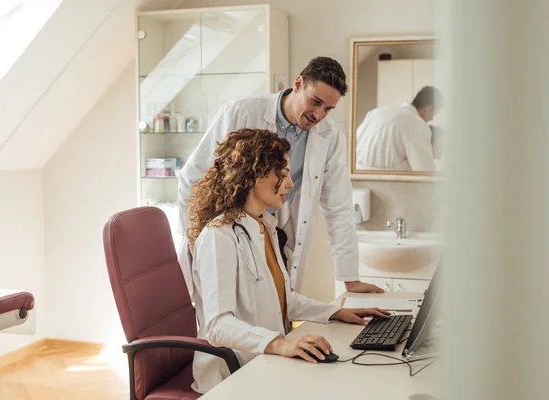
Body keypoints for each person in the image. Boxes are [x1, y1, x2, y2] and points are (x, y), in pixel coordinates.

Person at [187, 129, 389, 394]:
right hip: (231, 374)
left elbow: (283, 300)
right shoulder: (219, 236)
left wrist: (335, 312)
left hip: (265, 360)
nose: (289, 184)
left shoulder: (265, 226)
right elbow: (217, 325)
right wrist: (279, 344)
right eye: (281, 175)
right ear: (253, 175)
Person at [179, 56, 383, 297]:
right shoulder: (241, 112)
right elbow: (193, 176)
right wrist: (194, 237)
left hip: (276, 234)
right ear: (298, 84)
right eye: (315, 102)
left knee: (277, 304)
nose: (318, 115)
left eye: (328, 109)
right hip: (231, 229)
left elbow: (339, 206)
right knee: (229, 305)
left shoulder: (330, 136)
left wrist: (351, 279)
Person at [355, 86, 444, 171]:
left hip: (354, 178)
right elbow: (424, 172)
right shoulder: (417, 124)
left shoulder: (376, 112)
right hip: (381, 183)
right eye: (434, 114)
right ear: (429, 109)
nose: (431, 119)